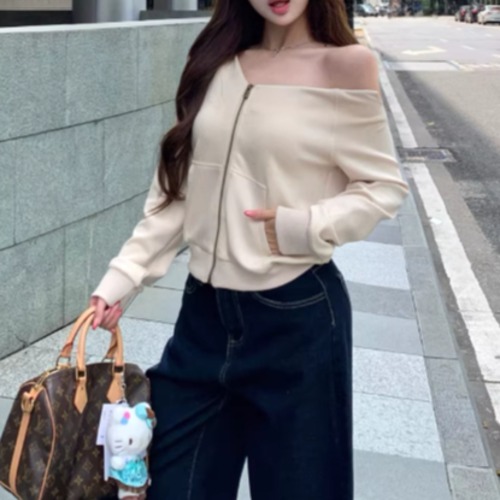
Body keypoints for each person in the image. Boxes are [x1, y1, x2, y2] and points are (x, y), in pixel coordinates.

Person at [89, 0, 409, 498]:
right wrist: (122, 278)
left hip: (295, 319)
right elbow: (177, 195)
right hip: (203, 320)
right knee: (170, 486)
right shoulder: (215, 60)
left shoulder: (345, 65)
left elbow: (382, 185)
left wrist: (303, 227)